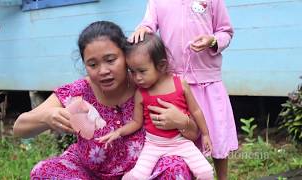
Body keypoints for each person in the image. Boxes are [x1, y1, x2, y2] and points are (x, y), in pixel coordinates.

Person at [13, 21, 201, 179]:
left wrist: (182, 121)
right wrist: (46, 116)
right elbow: (19, 129)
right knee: (43, 171)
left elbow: (194, 134)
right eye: (93, 64)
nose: (103, 71)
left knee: (175, 167)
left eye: (111, 60)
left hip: (142, 173)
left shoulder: (147, 86)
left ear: (126, 57)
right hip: (88, 173)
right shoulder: (78, 91)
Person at [130, 0, 239, 179]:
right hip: (174, 83)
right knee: (185, 143)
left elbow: (225, 31)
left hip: (207, 82)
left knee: (216, 137)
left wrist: (213, 40)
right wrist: (142, 28)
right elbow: (148, 24)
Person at [98, 33, 214, 180]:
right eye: (132, 72)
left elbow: (196, 110)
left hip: (181, 142)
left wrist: (205, 134)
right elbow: (136, 122)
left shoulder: (180, 84)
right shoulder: (141, 93)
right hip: (153, 146)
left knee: (206, 172)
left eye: (142, 71)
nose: (137, 77)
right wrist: (118, 132)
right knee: (136, 177)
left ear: (161, 65)